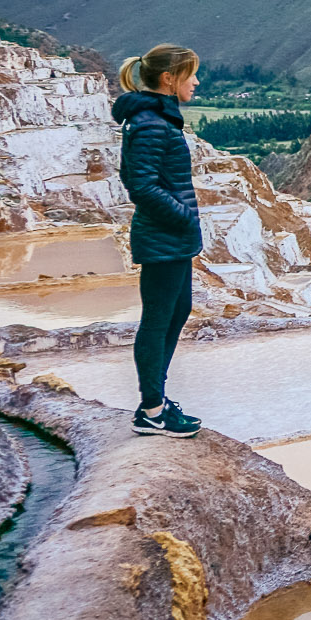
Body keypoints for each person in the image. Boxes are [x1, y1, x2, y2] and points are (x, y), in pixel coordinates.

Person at [113, 44, 206, 438]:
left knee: (177, 310)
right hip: (164, 236)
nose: (196, 82)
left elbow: (133, 176)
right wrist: (185, 218)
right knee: (157, 321)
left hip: (171, 237)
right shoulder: (151, 123)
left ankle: (156, 400)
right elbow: (142, 186)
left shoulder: (155, 119)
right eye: (190, 74)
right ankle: (152, 410)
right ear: (169, 79)